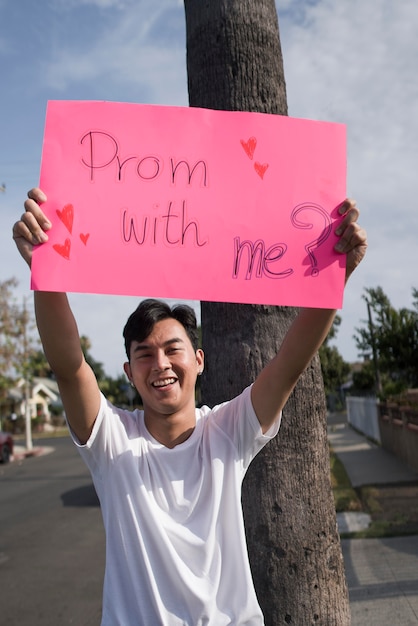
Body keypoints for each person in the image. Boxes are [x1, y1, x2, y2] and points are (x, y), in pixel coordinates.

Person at [13, 188, 367, 625]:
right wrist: (44, 270)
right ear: (128, 371)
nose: (159, 363)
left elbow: (289, 363)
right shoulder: (111, 440)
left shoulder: (228, 430)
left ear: (198, 361)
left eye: (172, 349)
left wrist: (337, 275)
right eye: (144, 353)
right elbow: (69, 367)